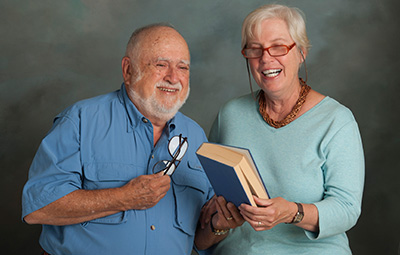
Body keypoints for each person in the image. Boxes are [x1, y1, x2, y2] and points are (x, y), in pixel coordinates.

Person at [22, 23, 229, 255]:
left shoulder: (196, 136)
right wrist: (124, 198)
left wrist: (217, 227)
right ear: (128, 70)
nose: (173, 77)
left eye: (183, 67)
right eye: (161, 65)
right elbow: (38, 208)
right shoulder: (80, 121)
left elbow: (198, 241)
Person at [197, 4, 365, 255]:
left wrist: (293, 212)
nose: (266, 59)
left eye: (278, 47)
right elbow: (207, 214)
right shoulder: (230, 115)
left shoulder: (336, 121)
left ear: (302, 52)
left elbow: (347, 209)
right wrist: (219, 224)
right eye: (255, 49)